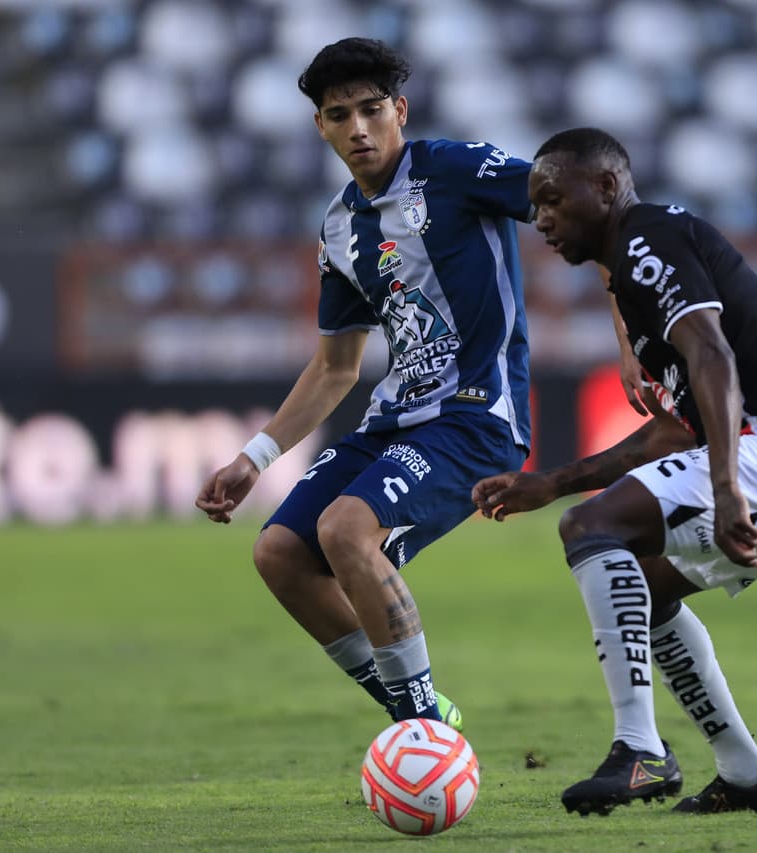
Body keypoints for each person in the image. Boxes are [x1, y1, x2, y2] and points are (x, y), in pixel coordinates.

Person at [472, 127, 757, 817]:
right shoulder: (636, 264)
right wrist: (552, 478)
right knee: (638, 589)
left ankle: (640, 748)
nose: (543, 219)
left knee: (590, 530)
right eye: (535, 206)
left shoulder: (649, 239)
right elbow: (681, 425)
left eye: (554, 198)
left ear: (609, 188)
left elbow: (713, 357)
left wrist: (726, 486)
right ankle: (747, 774)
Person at [196, 38, 534, 730]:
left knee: (348, 530)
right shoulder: (339, 227)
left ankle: (421, 736)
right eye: (338, 114)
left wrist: (627, 333)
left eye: (371, 110)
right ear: (319, 126)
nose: (357, 128)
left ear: (400, 110)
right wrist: (254, 457)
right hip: (394, 420)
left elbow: (583, 201)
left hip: (475, 418)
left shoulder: (459, 169)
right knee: (282, 553)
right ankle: (422, 716)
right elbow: (336, 367)